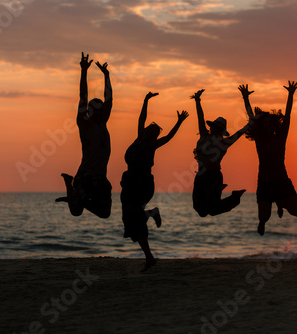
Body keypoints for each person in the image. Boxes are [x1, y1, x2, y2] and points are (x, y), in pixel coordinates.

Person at [121, 91, 188, 271]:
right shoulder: (139, 137)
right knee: (129, 221)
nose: (149, 131)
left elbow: (170, 137)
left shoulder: (152, 145)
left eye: (153, 131)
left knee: (133, 217)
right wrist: (145, 100)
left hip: (142, 184)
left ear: (154, 136)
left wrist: (179, 122)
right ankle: (151, 215)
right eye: (149, 129)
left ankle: (150, 257)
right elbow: (141, 119)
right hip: (129, 183)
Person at [239, 81, 297, 236]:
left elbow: (287, 116)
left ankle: (280, 203)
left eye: (269, 123)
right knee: (264, 217)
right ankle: (262, 221)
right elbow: (251, 118)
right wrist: (245, 98)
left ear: (273, 125)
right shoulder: (260, 139)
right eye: (264, 124)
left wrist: (291, 94)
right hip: (265, 182)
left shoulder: (280, 137)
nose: (267, 126)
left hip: (282, 180)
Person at [56, 52, 113, 219]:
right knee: (75, 212)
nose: (102, 111)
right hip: (86, 175)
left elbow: (109, 99)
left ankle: (75, 199)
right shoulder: (85, 125)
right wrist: (84, 71)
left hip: (101, 176)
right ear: (90, 111)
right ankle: (70, 186)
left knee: (105, 213)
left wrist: (107, 76)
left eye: (102, 109)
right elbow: (83, 96)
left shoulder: (103, 123)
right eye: (98, 109)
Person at [191, 89, 252, 217]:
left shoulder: (224, 143)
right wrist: (197, 100)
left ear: (220, 131)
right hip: (201, 175)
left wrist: (249, 121)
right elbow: (200, 117)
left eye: (217, 128)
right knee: (200, 210)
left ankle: (235, 196)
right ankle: (221, 192)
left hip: (214, 176)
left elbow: (241, 131)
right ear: (211, 127)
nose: (213, 129)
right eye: (213, 127)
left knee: (212, 210)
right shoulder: (203, 135)